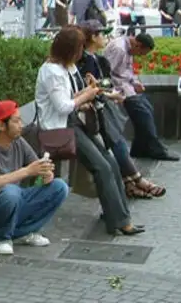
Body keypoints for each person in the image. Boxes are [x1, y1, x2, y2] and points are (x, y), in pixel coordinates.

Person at [35, 26, 144, 236]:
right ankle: (120, 221)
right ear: (70, 49)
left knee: (110, 162)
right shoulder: (52, 71)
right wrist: (88, 94)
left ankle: (118, 215)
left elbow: (72, 97)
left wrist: (90, 91)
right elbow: (64, 106)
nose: (81, 53)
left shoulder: (67, 67)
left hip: (74, 122)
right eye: (78, 48)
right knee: (102, 167)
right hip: (62, 127)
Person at [0, 100, 68, 255]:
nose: (21, 124)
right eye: (16, 121)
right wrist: (27, 171)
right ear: (1, 125)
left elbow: (36, 165)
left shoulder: (18, 141)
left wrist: (46, 172)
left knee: (59, 187)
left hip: (13, 201)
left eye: (20, 119)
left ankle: (23, 232)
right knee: (10, 191)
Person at [77, 21, 166, 198]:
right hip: (94, 111)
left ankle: (131, 183)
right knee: (117, 142)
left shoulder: (95, 59)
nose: (106, 38)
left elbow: (104, 82)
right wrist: (113, 95)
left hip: (104, 104)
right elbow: (93, 89)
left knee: (119, 140)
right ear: (93, 37)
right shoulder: (88, 60)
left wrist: (113, 91)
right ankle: (138, 180)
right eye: (102, 34)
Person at [104, 33, 180, 161]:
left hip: (126, 87)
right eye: (141, 53)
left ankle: (140, 148)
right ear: (138, 45)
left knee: (147, 107)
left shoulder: (129, 48)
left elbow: (126, 71)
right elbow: (107, 72)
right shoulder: (119, 49)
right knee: (143, 112)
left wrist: (135, 82)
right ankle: (155, 149)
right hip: (117, 89)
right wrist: (115, 93)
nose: (139, 56)